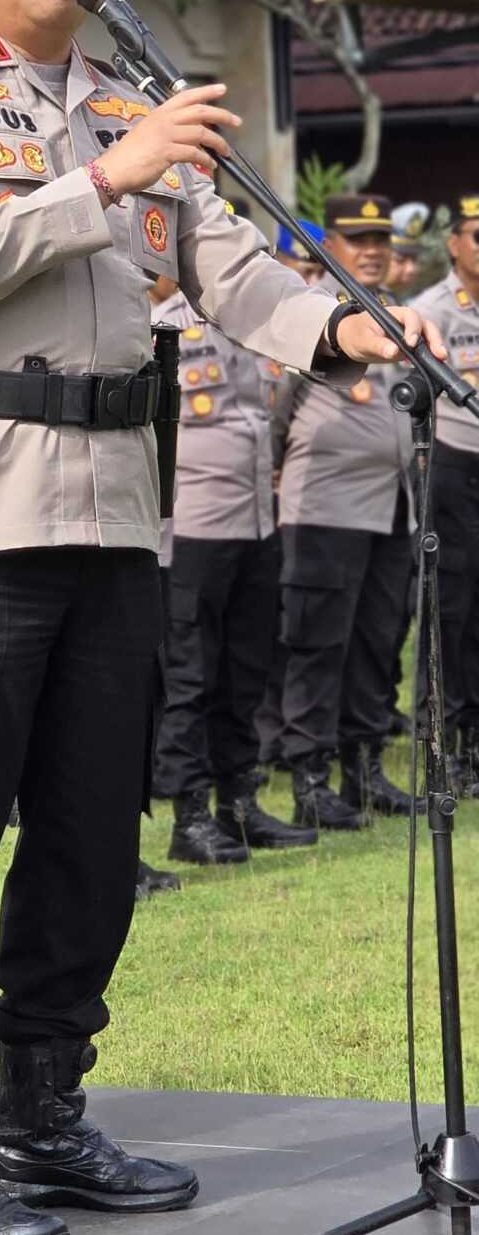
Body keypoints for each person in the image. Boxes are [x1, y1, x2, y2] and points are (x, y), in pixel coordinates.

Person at [0, 0, 444, 1235]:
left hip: (114, 519)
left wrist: (353, 329)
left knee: (93, 839)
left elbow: (232, 273)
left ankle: (41, 1116)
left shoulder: (130, 97)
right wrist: (100, 182)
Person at [151, 274, 316, 862]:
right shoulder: (160, 322)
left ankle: (239, 805)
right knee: (190, 677)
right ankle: (189, 816)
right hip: (192, 528)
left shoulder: (254, 322)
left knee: (246, 670)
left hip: (255, 523)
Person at [274, 194, 416, 828]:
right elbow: (273, 414)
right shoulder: (308, 317)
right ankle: (309, 776)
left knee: (374, 644)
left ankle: (364, 771)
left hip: (391, 509)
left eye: (381, 240)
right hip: (324, 509)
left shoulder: (395, 316)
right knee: (317, 646)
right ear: (328, 247)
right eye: (358, 241)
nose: (373, 251)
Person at [411, 200, 479, 790]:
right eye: (476, 236)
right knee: (449, 608)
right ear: (453, 243)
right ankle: (445, 740)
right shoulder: (431, 309)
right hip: (454, 468)